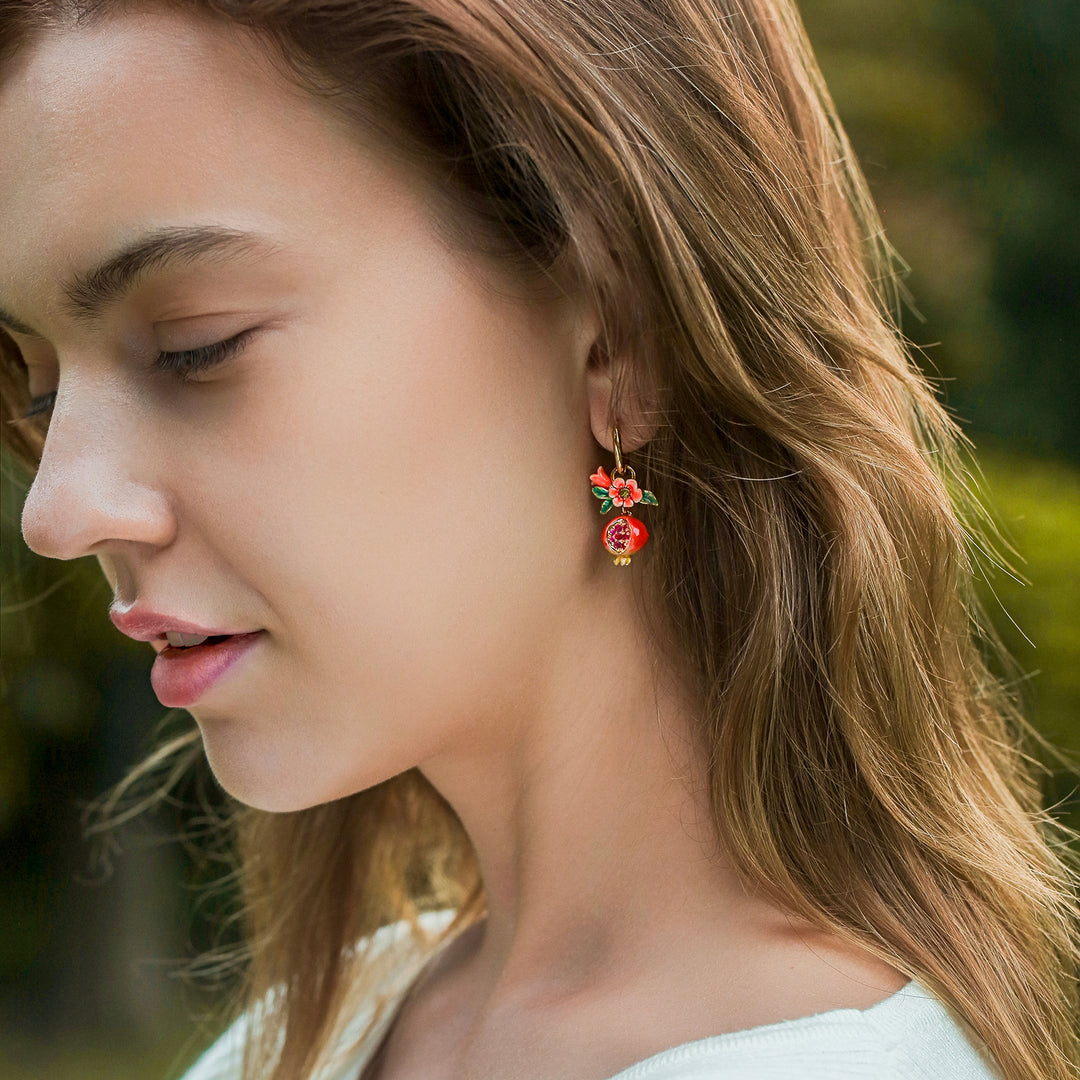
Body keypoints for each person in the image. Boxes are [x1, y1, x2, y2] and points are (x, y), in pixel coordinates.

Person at [0, 1, 1076, 1078]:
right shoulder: (330, 1024)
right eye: (39, 386)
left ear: (624, 338)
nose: (57, 510)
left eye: (197, 346)